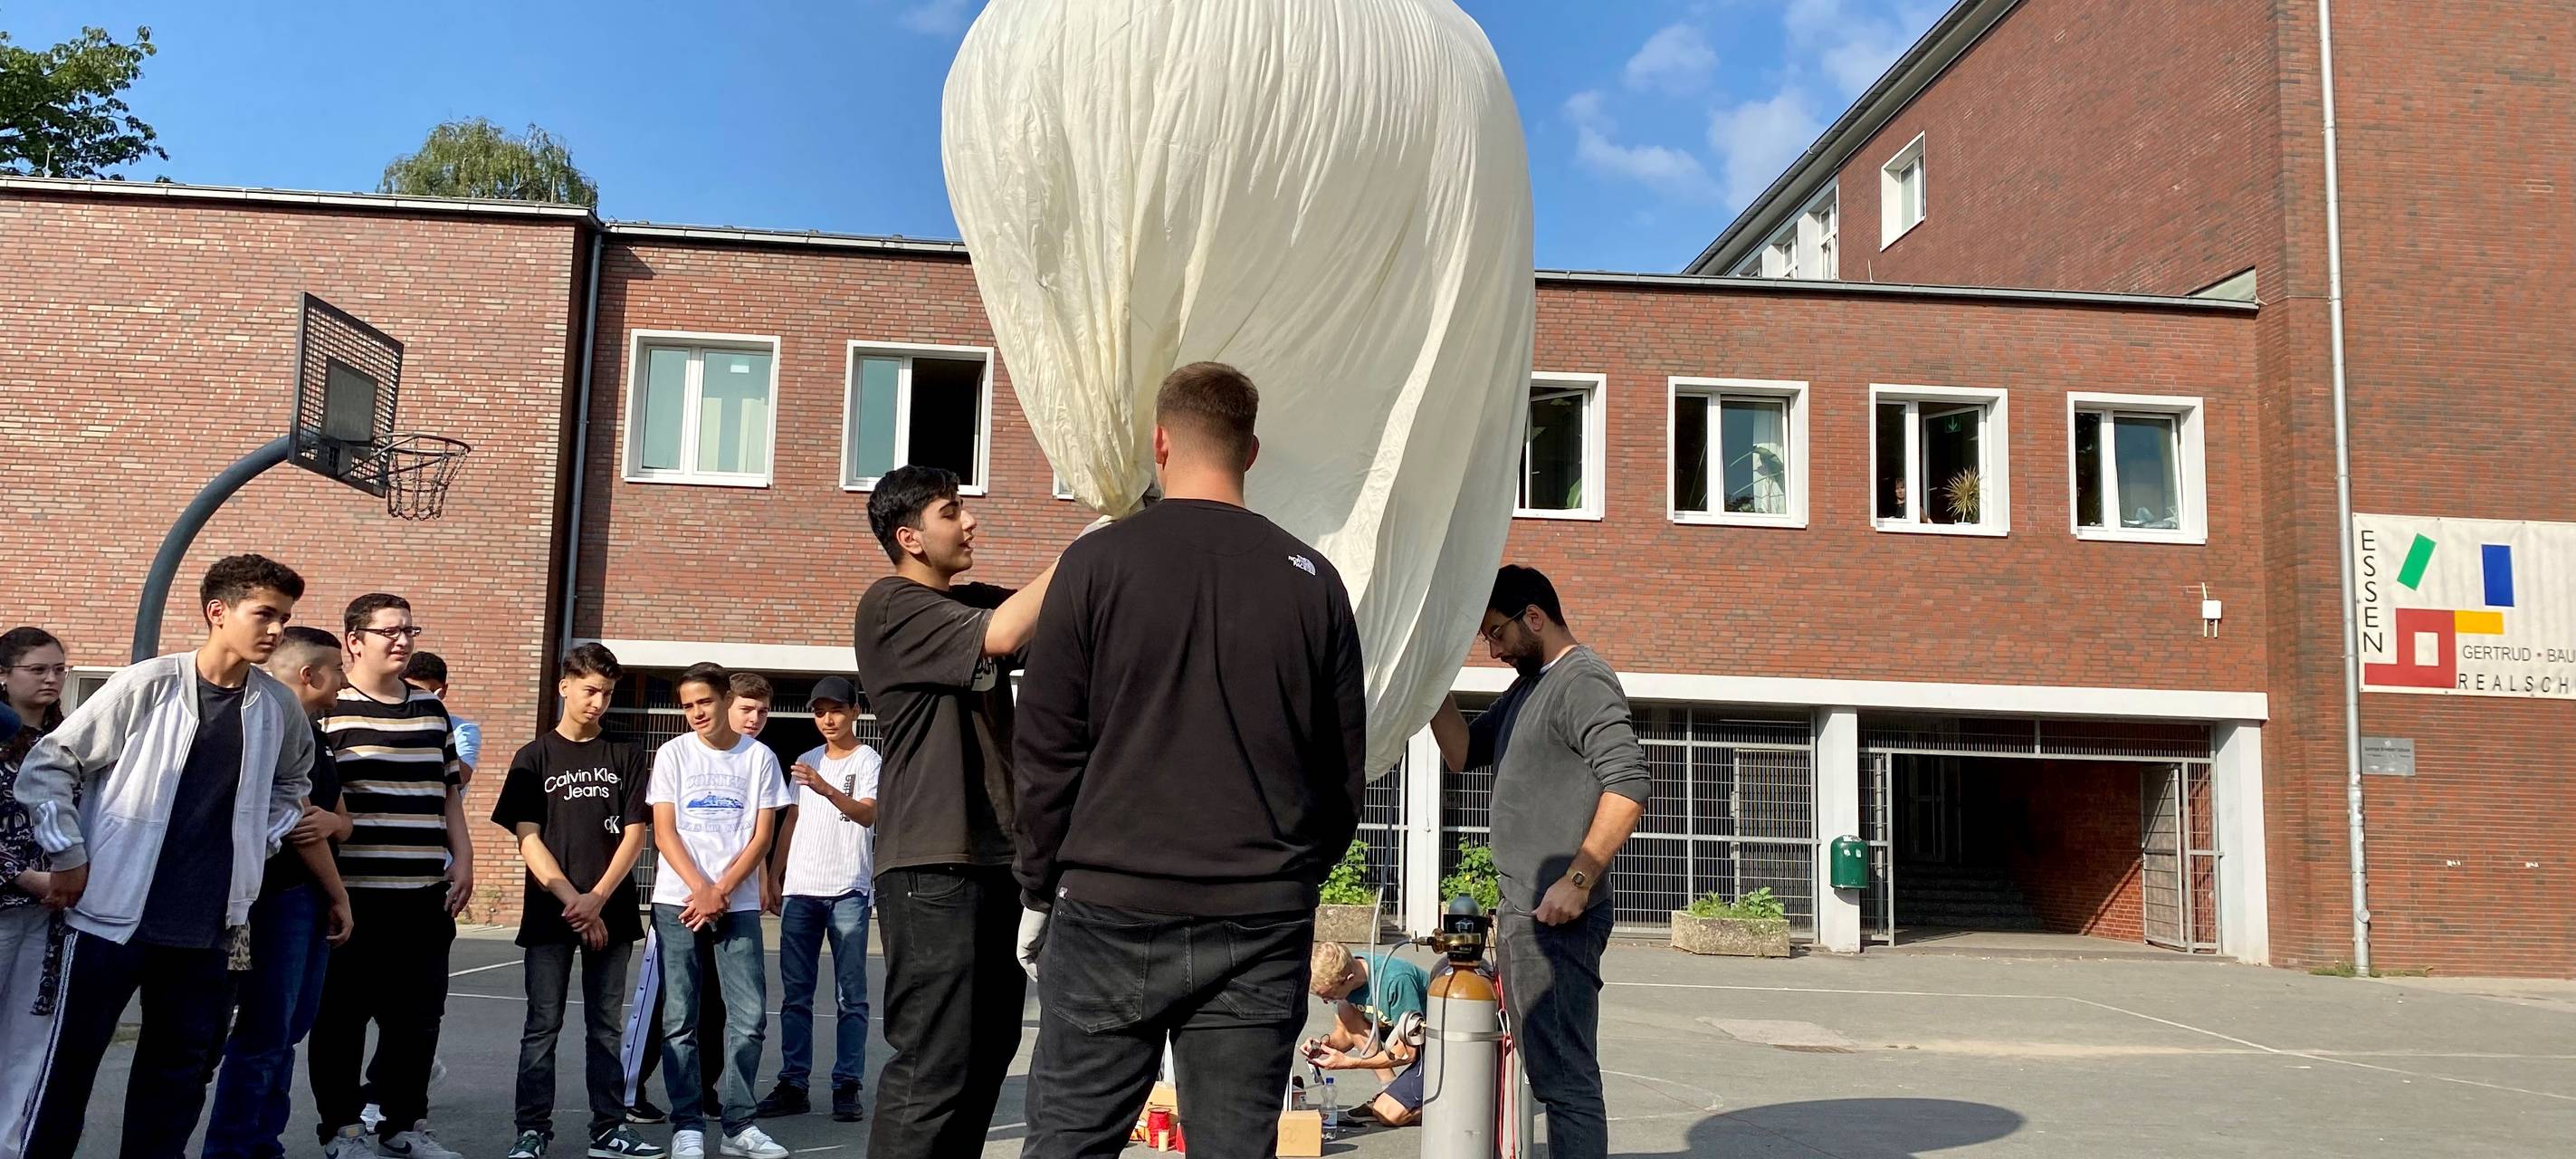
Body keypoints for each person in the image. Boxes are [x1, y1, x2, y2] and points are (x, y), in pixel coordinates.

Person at [1015, 361, 1369, 1158]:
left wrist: (1040, 885)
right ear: (1251, 452)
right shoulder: (1312, 583)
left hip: (1110, 901)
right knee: (1236, 1144)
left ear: (1161, 442)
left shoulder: (1096, 565)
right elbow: (1342, 770)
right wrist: (1289, 872)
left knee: (1071, 1141)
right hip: (1260, 915)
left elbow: (1045, 747)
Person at [11, 554, 317, 1159]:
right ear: (217, 612)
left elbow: (294, 787)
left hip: (207, 931)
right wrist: (69, 854)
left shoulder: (276, 707)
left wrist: (259, 841)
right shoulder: (146, 685)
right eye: (265, 614)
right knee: (64, 1077)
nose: (277, 630)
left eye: (284, 618)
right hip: (107, 922)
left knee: (173, 1088)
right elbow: (48, 765)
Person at [853, 464, 1058, 1159]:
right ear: (910, 536)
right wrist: (1095, 540)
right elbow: (1002, 634)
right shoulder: (891, 604)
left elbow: (1051, 613)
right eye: (952, 512)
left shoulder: (964, 604)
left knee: (988, 1050)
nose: (970, 522)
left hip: (994, 861)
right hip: (930, 863)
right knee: (934, 1061)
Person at [1427, 566, 1650, 1159]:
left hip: (1558, 924)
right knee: (1551, 1073)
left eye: (1497, 634)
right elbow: (1460, 752)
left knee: (1565, 1079)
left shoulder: (1581, 679)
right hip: (1526, 916)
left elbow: (1627, 782)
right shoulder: (1529, 688)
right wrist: (1426, 683)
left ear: (1534, 617)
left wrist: (1579, 878)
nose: (1494, 649)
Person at [310, 592, 472, 1159]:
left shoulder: (431, 710)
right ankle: (342, 1130)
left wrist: (465, 858)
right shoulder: (329, 707)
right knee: (342, 1021)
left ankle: (405, 1125)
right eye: (390, 631)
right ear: (354, 640)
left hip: (423, 896)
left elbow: (449, 791)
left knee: (417, 1021)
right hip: (351, 898)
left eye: (410, 630)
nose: (403, 641)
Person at [492, 643, 666, 1159]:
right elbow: (528, 839)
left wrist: (597, 898)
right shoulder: (535, 756)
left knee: (605, 1027)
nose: (598, 702)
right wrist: (573, 900)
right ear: (565, 685)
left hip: (609, 912)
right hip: (552, 912)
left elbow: (636, 835)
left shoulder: (627, 753)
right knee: (542, 1026)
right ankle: (532, 1130)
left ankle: (609, 1128)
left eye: (607, 693)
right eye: (590, 690)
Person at [203, 626, 358, 1159]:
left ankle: (263, 1143)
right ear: (309, 675)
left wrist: (333, 827)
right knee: (265, 1033)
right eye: (337, 669)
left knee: (289, 1031)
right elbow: (297, 827)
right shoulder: (272, 730)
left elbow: (338, 821)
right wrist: (339, 895)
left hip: (306, 901)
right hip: (278, 898)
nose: (344, 680)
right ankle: (233, 1148)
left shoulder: (318, 737)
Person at [645, 663, 790, 1159]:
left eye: (703, 702)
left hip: (738, 902)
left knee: (749, 1017)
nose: (695, 714)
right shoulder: (672, 754)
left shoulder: (760, 758)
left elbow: (763, 836)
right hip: (678, 901)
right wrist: (700, 889)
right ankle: (687, 1125)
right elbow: (663, 832)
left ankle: (739, 1126)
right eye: (687, 706)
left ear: (727, 698)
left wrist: (722, 889)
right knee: (680, 1018)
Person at [756, 676, 879, 1125]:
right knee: (796, 995)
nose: (827, 719)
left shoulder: (869, 760)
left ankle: (847, 1085)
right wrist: (773, 875)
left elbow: (868, 814)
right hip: (801, 891)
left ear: (854, 713)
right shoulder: (806, 759)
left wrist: (826, 786)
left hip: (847, 888)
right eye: (820, 711)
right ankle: (794, 1083)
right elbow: (791, 820)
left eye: (836, 710)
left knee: (851, 995)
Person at [1302, 941, 1429, 1128]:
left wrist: (1351, 1063)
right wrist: (1323, 1046)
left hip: (1438, 1048)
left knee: (1389, 1115)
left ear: (1349, 978)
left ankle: (1453, 1101)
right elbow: (1346, 1035)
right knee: (1346, 1009)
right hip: (1401, 1038)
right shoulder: (1349, 970)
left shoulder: (1396, 980)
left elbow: (1407, 1053)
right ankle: (1390, 1088)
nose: (1326, 1002)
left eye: (1329, 996)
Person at [400, 651, 482, 786]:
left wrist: (432, 718)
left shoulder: (462, 730)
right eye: (413, 692)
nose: (419, 699)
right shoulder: (389, 720)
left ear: (443, 691)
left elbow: (461, 779)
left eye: (426, 693)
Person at [0, 628, 67, 736]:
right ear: (2, 674)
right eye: (38, 670)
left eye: (59, 669)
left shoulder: (71, 732)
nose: (52, 679)